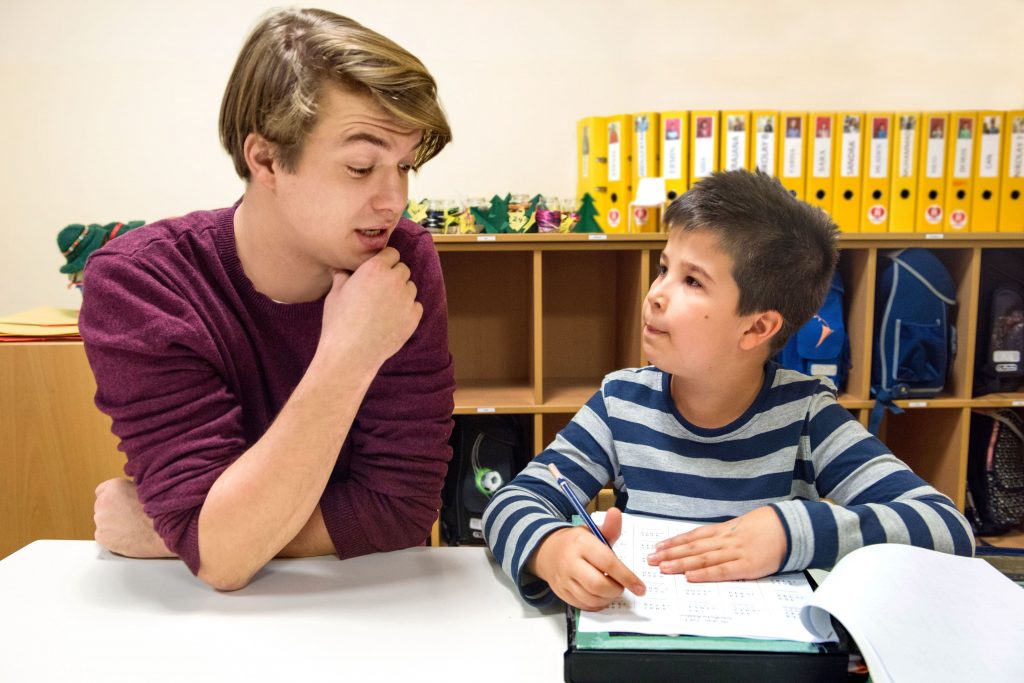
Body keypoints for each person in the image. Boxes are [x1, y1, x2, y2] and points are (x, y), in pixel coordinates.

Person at [80, 8, 455, 591]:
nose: (394, 201)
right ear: (265, 160)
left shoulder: (402, 262)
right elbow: (223, 562)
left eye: (404, 166)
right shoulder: (141, 286)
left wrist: (183, 535)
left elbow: (401, 511)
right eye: (360, 167)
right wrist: (348, 355)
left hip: (363, 612)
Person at [483, 170, 974, 611]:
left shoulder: (807, 416)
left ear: (757, 327)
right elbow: (510, 502)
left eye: (693, 281)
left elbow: (946, 529)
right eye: (663, 268)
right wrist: (550, 549)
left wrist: (792, 534)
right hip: (643, 640)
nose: (656, 292)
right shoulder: (621, 404)